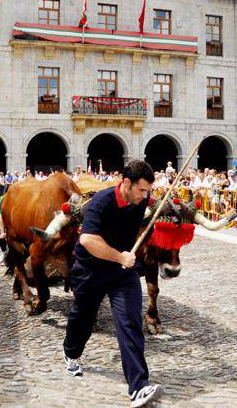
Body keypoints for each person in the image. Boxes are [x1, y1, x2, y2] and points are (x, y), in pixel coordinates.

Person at [63, 160, 162, 407]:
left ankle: (138, 387)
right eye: (141, 190)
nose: (145, 196)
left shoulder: (139, 202)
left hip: (123, 273)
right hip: (91, 270)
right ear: (126, 183)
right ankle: (71, 354)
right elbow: (87, 240)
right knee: (82, 318)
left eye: (148, 191)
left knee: (130, 322)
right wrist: (120, 256)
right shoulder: (101, 203)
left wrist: (123, 260)